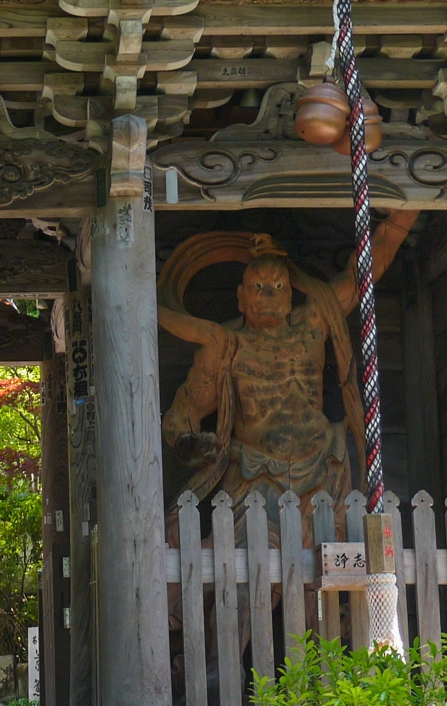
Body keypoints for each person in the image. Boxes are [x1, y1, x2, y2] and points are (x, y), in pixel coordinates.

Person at [157, 211, 417, 526]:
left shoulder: (312, 327)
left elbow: (360, 271)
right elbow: (183, 412)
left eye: (278, 286)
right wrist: (190, 443)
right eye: (258, 287)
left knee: (331, 563)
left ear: (291, 294)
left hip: (325, 470)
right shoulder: (226, 347)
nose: (268, 295)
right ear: (240, 298)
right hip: (254, 477)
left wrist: (405, 216)